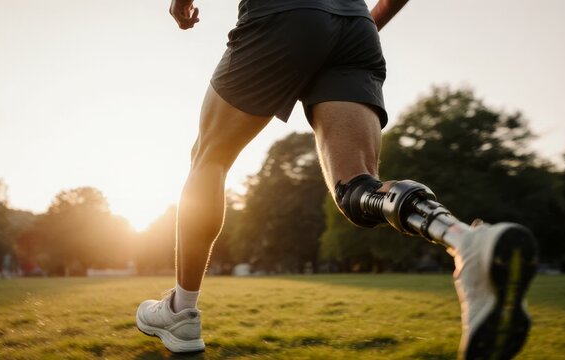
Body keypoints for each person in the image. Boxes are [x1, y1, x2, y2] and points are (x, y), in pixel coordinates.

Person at [136, 1, 538, 358]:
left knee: (209, 158)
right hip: (355, 26)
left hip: (283, 14)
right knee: (356, 190)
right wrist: (361, 21)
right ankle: (469, 242)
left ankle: (180, 312)